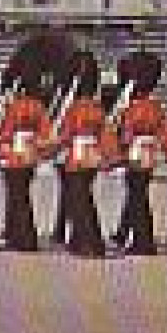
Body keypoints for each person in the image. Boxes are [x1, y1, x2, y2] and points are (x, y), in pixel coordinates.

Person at [111, 53, 167, 256]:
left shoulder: (133, 108)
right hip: (149, 154)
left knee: (137, 196)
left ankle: (143, 240)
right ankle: (124, 232)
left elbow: (126, 134)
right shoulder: (155, 106)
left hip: (135, 152)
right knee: (137, 192)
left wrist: (117, 152)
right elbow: (165, 133)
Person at [56, 51, 115, 258]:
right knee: (83, 197)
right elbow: (105, 133)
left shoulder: (74, 109)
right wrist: (108, 156)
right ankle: (79, 240)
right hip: (93, 157)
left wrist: (48, 145)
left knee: (79, 201)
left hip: (77, 157)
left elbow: (65, 136)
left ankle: (90, 243)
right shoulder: (97, 108)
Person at [0, 54, 51, 253]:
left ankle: (24, 238)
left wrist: (1, 144)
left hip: (13, 153)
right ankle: (15, 234)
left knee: (17, 196)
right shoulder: (37, 105)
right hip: (30, 153)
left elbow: (3, 130)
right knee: (20, 194)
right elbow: (45, 131)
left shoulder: (12, 106)